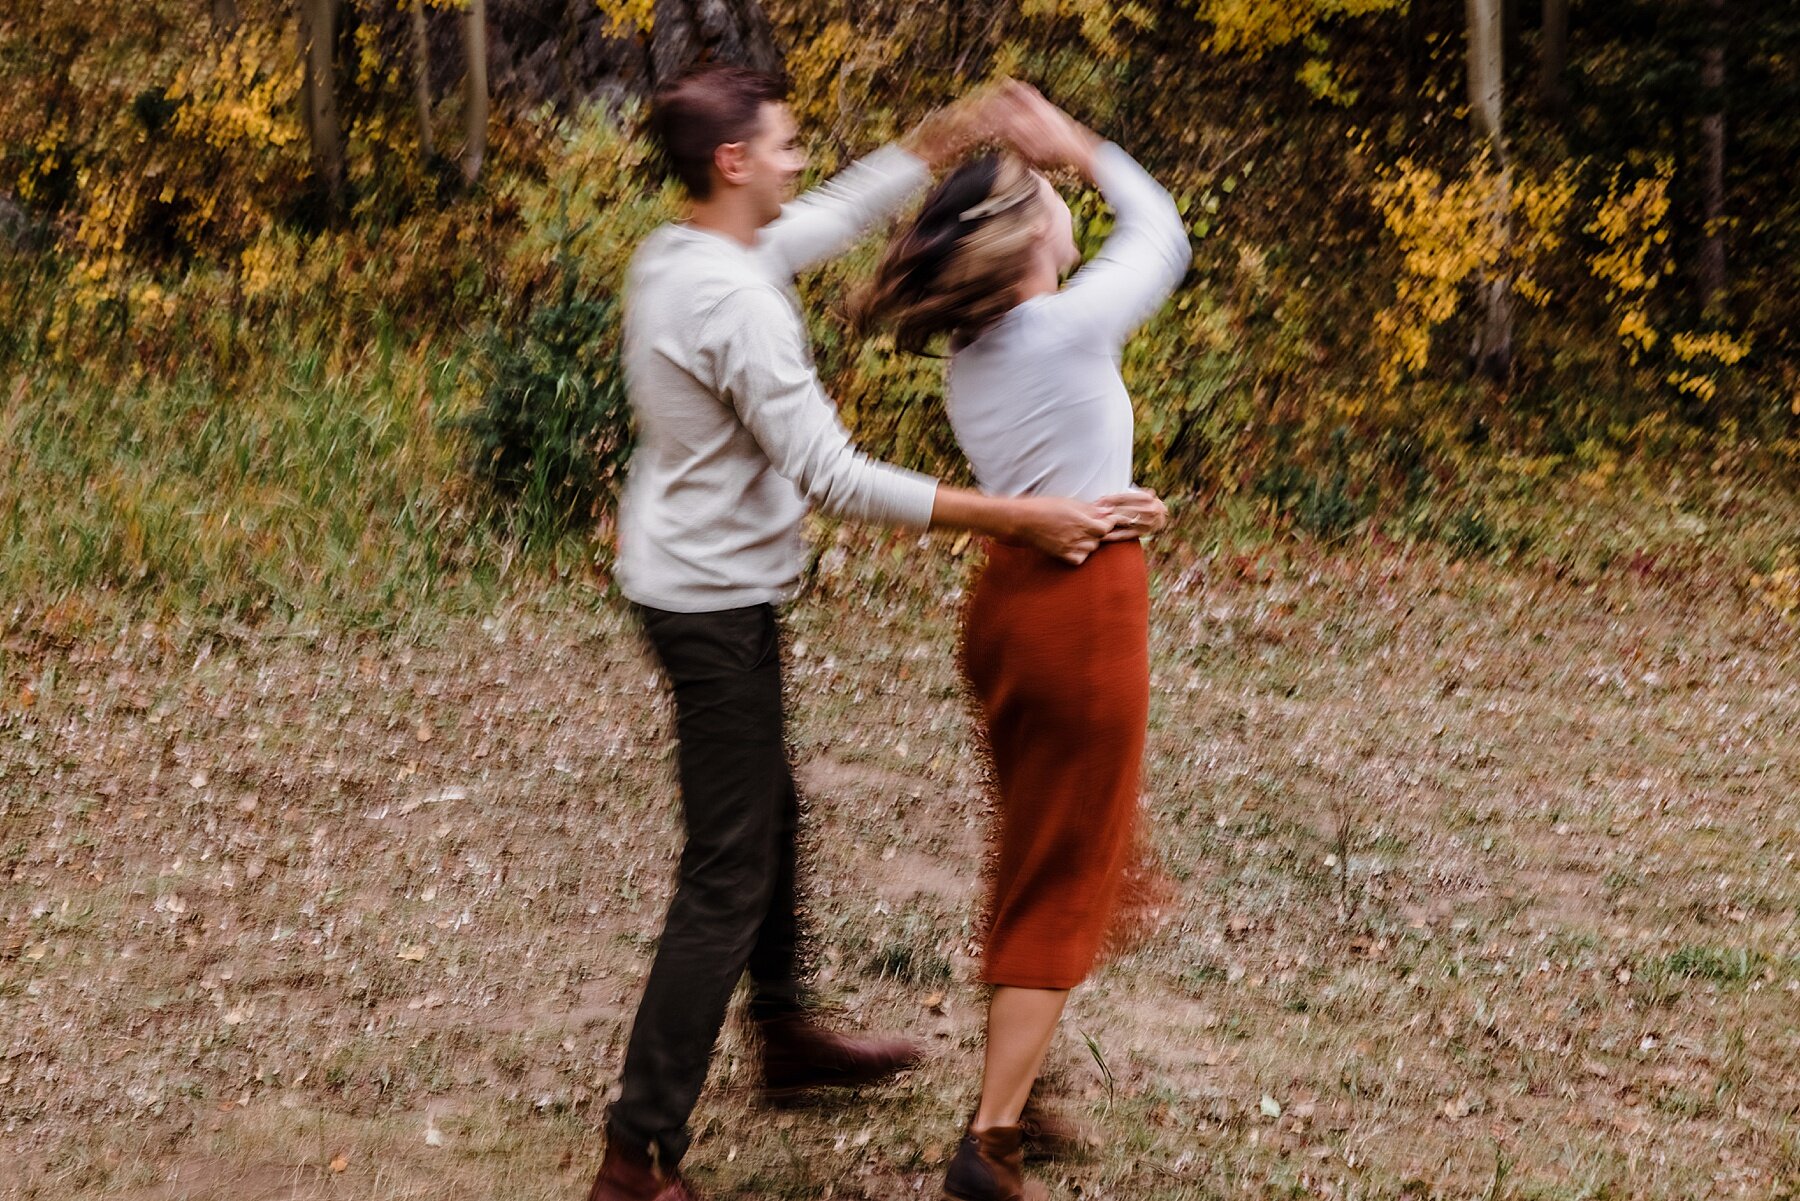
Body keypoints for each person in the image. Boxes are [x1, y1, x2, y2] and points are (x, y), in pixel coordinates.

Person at [590, 67, 1122, 1201]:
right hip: (709, 602)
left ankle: (784, 1033)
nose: (797, 158)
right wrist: (1020, 514)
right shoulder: (731, 298)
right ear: (732, 163)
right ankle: (636, 1155)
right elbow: (831, 473)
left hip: (694, 577)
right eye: (782, 144)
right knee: (727, 869)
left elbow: (832, 215)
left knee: (767, 812)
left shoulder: (692, 253)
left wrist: (949, 135)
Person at [855, 85, 1189, 1201]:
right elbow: (1166, 236)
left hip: (1013, 609)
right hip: (1081, 617)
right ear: (1022, 236)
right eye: (1046, 195)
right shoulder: (1061, 324)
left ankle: (1023, 1082)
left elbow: (1055, 470)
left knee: (1045, 847)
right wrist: (1082, 146)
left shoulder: (978, 356)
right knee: (1059, 868)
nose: (1062, 199)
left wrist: (1116, 497)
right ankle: (989, 1145)